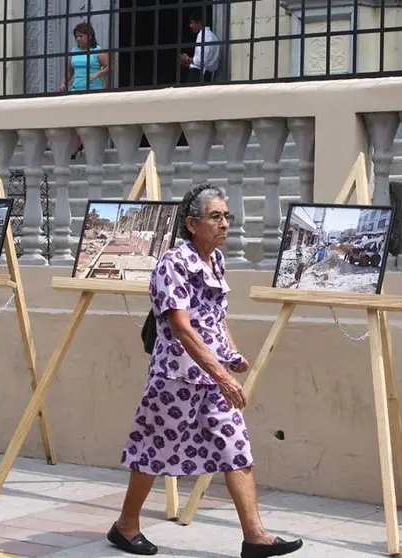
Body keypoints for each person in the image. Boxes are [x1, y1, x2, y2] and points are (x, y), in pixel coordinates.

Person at [107, 184, 303, 558]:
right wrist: (225, 376)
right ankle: (125, 526)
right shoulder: (173, 264)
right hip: (175, 378)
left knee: (237, 449)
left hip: (212, 380)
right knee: (152, 451)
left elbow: (216, 317)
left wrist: (231, 355)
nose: (225, 223)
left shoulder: (216, 261)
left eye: (227, 216)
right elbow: (182, 328)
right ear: (192, 223)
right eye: (216, 216)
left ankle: (255, 536)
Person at [61, 22, 109, 158]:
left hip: (94, 89)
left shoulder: (98, 51)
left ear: (89, 36)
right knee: (76, 120)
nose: (78, 39)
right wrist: (64, 82)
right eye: (76, 36)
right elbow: (69, 71)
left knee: (91, 120)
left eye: (81, 36)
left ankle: (93, 147)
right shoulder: (74, 52)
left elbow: (108, 67)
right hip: (77, 89)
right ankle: (76, 146)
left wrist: (97, 74)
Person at [179, 11, 220, 83]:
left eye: (192, 23)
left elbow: (202, 60)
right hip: (202, 74)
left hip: (199, 75)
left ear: (200, 22)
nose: (190, 25)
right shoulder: (207, 35)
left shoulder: (205, 36)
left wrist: (188, 59)